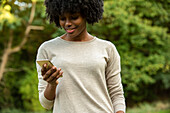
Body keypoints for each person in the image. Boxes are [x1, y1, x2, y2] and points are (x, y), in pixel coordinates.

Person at [36, 0, 126, 113]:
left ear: (86, 14)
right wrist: (52, 84)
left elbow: (116, 93)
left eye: (74, 17)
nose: (67, 23)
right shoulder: (47, 49)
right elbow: (46, 104)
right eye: (63, 18)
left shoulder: (107, 48)